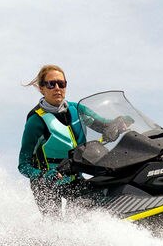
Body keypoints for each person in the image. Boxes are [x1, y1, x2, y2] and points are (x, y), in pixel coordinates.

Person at [16, 64, 121, 213]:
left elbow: (104, 125)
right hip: (46, 184)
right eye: (51, 84)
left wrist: (120, 122)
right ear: (42, 88)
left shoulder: (78, 110)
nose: (57, 88)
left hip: (74, 178)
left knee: (89, 211)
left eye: (61, 83)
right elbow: (23, 165)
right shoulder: (36, 122)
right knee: (55, 226)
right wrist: (42, 176)